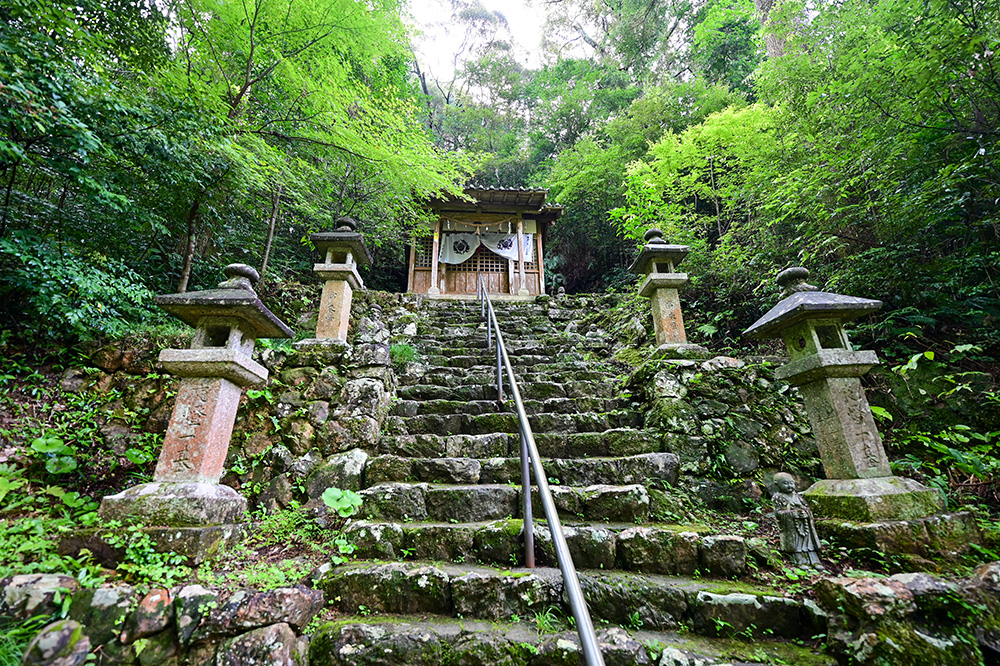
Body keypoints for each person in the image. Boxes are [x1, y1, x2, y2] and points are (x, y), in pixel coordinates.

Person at [772, 472, 822, 565]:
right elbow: (778, 513)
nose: (789, 486)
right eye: (785, 483)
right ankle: (800, 561)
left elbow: (807, 508)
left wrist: (805, 513)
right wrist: (792, 514)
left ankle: (814, 561)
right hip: (791, 527)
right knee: (797, 544)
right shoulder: (778, 497)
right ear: (777, 485)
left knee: (808, 543)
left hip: (803, 524)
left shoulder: (798, 496)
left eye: (791, 483)